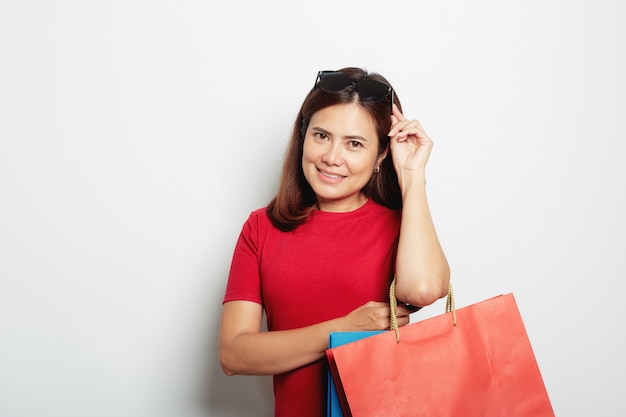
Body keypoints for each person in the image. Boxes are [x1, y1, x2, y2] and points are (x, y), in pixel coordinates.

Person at [219, 67, 450, 417]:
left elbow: (423, 290)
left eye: (354, 144)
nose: (331, 157)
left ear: (382, 155)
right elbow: (233, 354)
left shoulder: (401, 228)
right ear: (303, 136)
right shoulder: (261, 228)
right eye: (322, 136)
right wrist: (342, 329)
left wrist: (413, 177)